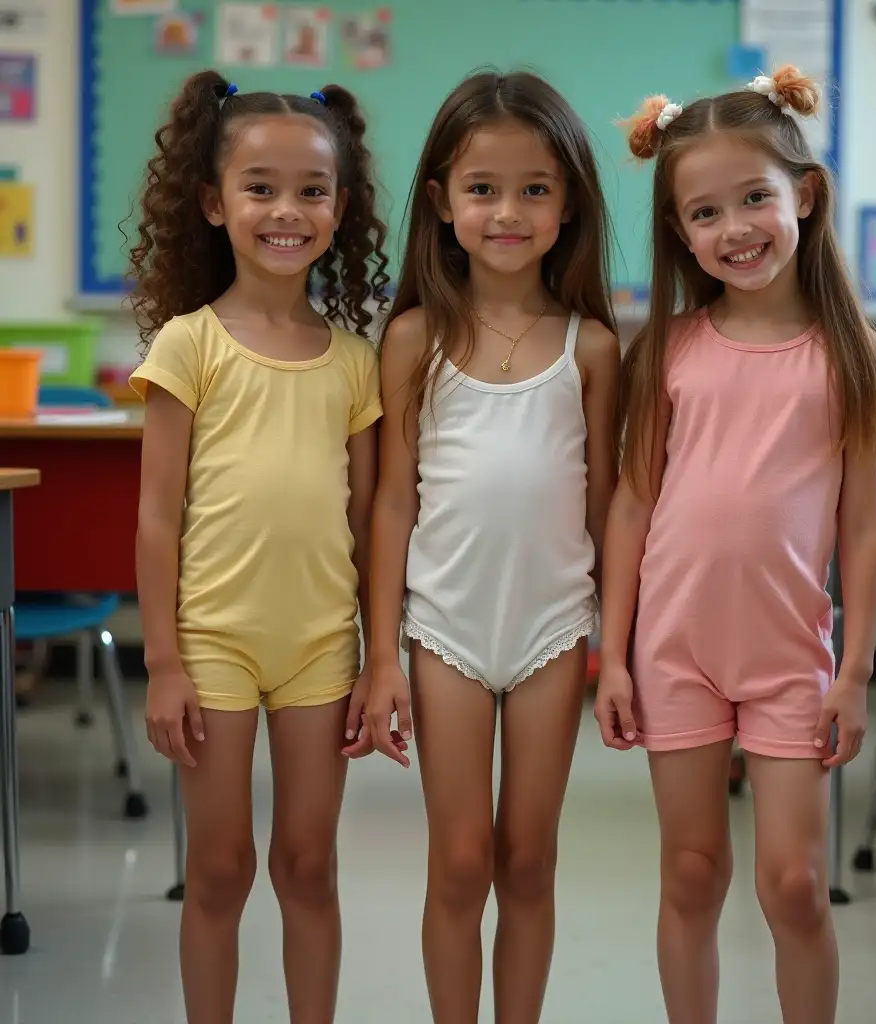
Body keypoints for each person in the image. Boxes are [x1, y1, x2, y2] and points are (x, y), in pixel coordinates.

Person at [596, 67, 876, 1024]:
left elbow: (863, 525)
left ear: (802, 197)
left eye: (755, 199)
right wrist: (612, 654)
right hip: (674, 651)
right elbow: (631, 506)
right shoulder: (666, 350)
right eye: (704, 212)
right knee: (691, 877)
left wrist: (854, 671)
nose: (734, 229)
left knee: (794, 886)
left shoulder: (856, 353)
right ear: (679, 231)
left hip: (789, 659)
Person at [128, 70, 389, 1024]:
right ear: (213, 203)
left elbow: (370, 522)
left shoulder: (355, 361)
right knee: (222, 868)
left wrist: (376, 657)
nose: (287, 210)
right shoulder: (188, 346)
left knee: (308, 864)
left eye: (311, 190)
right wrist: (162, 662)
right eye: (261, 187)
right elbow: (158, 518)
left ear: (341, 207)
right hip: (212, 647)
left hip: (322, 647)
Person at [367, 70, 620, 1024]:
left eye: (534, 188)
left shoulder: (592, 347)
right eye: (482, 189)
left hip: (554, 625)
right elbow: (392, 505)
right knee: (462, 858)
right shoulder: (413, 340)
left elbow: (607, 509)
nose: (507, 211)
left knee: (528, 857)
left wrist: (620, 647)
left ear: (569, 204)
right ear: (441, 202)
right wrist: (379, 653)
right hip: (444, 628)